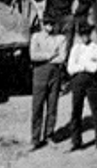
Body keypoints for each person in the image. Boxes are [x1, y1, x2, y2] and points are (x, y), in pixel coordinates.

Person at [66, 21, 97, 154]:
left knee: (96, 112)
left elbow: (94, 67)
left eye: (87, 33)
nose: (85, 36)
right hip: (77, 81)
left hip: (92, 82)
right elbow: (70, 68)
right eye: (82, 34)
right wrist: (85, 65)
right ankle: (76, 141)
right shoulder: (75, 48)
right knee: (76, 111)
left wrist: (81, 65)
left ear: (90, 34)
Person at [28, 14, 68, 149]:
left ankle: (49, 135)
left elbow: (62, 58)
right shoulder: (36, 37)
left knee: (52, 106)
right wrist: (50, 55)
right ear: (42, 24)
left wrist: (44, 56)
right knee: (37, 107)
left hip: (55, 74)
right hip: (39, 74)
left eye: (52, 24)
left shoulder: (60, 38)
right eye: (47, 24)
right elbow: (33, 56)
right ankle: (35, 139)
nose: (49, 27)